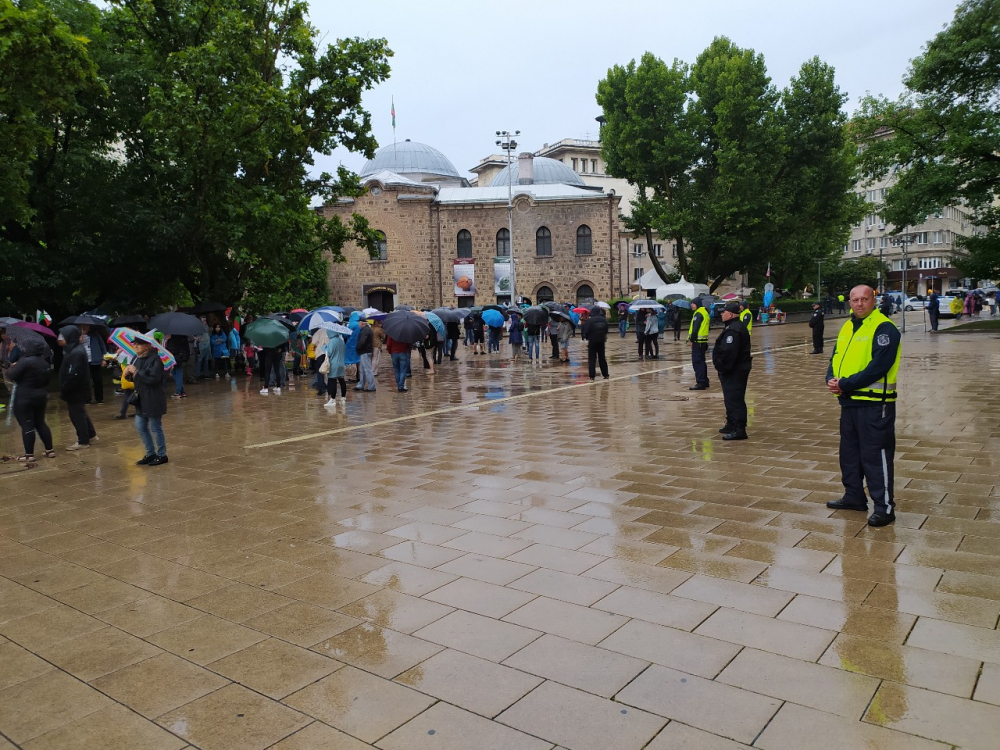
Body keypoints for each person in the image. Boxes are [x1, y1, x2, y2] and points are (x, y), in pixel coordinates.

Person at [826, 285, 901, 527]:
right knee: (849, 455)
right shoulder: (848, 326)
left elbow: (878, 367)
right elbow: (836, 356)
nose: (859, 304)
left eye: (864, 299)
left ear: (873, 300)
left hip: (874, 405)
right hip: (849, 402)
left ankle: (884, 507)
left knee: (875, 456)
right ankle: (854, 496)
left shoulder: (884, 327)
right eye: (855, 300)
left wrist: (845, 384)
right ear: (849, 302)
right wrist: (831, 379)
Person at [7, 338, 55, 461]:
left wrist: (13, 367)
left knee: (27, 424)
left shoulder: (25, 362)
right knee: (40, 422)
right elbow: (47, 380)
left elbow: (11, 376)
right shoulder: (44, 363)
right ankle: (50, 450)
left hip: (25, 397)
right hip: (41, 396)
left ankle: (29, 454)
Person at [712, 301, 753, 441]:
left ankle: (739, 428)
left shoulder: (734, 330)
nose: (721, 314)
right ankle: (731, 423)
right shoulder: (733, 326)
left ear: (730, 314)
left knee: (735, 399)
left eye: (723, 312)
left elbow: (729, 352)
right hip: (735, 369)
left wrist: (722, 367)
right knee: (730, 398)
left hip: (735, 370)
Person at [127, 334, 169, 465]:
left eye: (138, 344)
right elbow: (136, 379)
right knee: (140, 426)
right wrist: (128, 374)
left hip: (153, 398)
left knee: (155, 427)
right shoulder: (135, 358)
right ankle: (150, 452)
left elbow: (153, 379)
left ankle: (162, 454)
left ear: (147, 346)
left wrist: (136, 372)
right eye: (134, 344)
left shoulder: (156, 360)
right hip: (141, 399)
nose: (135, 346)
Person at [58, 326, 97, 450]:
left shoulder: (76, 352)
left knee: (76, 414)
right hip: (77, 389)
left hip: (76, 390)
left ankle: (83, 440)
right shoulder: (74, 350)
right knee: (81, 412)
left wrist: (65, 387)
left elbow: (73, 373)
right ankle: (91, 435)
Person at [78, 323, 108, 404]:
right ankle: (87, 399)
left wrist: (103, 359)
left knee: (97, 380)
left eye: (87, 326)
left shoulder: (95, 335)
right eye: (83, 327)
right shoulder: (77, 336)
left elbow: (102, 346)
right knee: (85, 381)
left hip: (95, 360)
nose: (85, 328)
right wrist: (79, 340)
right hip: (83, 361)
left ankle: (99, 399)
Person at [687, 298, 710, 390]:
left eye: (693, 303)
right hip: (703, 341)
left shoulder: (698, 313)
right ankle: (704, 381)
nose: (691, 305)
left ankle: (701, 382)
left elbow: (695, 329)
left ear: (697, 304)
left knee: (697, 362)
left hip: (698, 342)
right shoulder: (705, 312)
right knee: (702, 362)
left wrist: (692, 340)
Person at [583, 307, 609, 380]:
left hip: (592, 341)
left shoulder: (590, 321)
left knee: (592, 359)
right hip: (601, 341)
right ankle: (605, 374)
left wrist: (587, 337)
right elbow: (606, 330)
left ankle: (592, 376)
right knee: (602, 358)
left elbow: (586, 331)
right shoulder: (604, 320)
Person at [323, 330, 347, 408]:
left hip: (334, 364)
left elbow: (329, 353)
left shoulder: (332, 341)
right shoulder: (341, 340)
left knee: (332, 381)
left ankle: (332, 399)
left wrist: (324, 347)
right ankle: (343, 398)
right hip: (341, 363)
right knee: (341, 380)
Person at [164, 334, 189, 398]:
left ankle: (178, 392)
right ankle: (182, 391)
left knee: (177, 373)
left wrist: (167, 341)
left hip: (176, 356)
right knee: (176, 372)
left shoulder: (173, 338)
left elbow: (171, 349)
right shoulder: (182, 336)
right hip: (180, 356)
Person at [354, 318, 376, 391]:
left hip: (365, 352)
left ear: (361, 323)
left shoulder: (365, 331)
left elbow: (362, 342)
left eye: (359, 323)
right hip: (365, 351)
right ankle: (360, 385)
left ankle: (371, 386)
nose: (358, 324)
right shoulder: (366, 330)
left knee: (367, 370)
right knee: (362, 369)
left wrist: (358, 348)